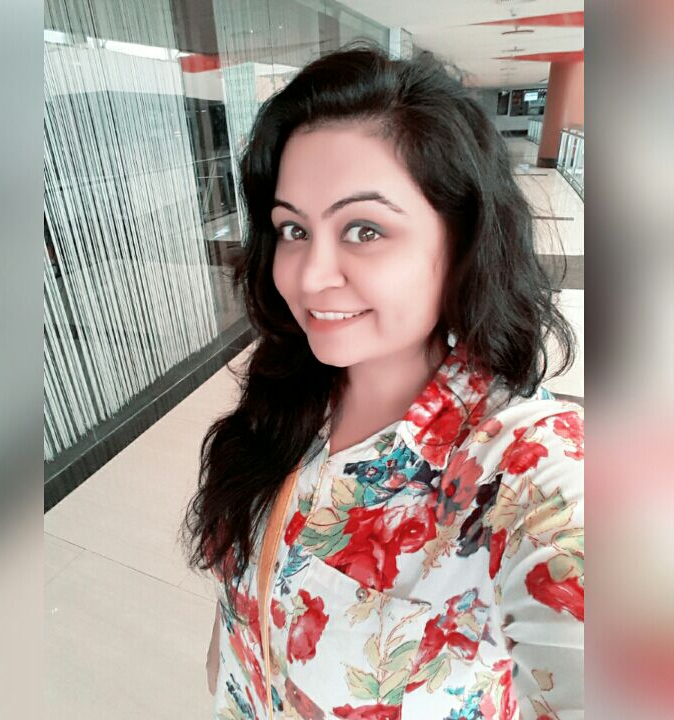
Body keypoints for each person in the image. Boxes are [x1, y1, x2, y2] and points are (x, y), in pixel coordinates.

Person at [181, 42, 583, 720]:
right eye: (292, 229)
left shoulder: (525, 468)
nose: (310, 277)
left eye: (364, 229)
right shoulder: (293, 384)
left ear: (462, 240)